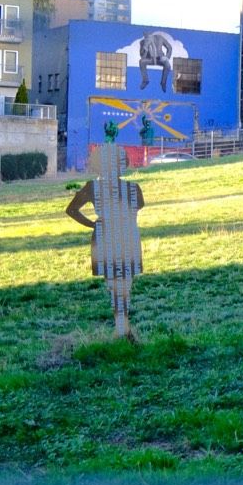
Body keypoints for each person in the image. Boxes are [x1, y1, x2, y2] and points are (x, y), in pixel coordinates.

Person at [66, 128, 146, 337]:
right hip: (125, 235)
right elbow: (138, 208)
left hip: (106, 236)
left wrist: (93, 224)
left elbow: (72, 210)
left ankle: (122, 327)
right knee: (123, 285)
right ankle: (123, 328)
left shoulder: (94, 188)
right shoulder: (133, 188)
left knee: (116, 285)